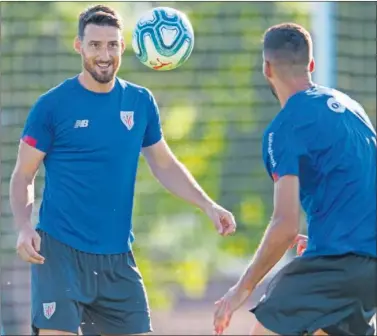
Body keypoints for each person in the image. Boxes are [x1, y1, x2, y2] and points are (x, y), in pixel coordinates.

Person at [10, 5, 236, 336]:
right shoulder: (52, 106)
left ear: (123, 47)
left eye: (112, 45)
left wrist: (208, 205)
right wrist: (23, 227)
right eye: (95, 44)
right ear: (79, 46)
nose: (104, 54)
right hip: (59, 255)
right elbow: (23, 175)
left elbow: (164, 163)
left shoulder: (140, 102)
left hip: (117, 258)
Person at [213, 22, 376, 336]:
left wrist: (240, 291)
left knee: (266, 329)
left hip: (339, 263)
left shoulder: (285, 128)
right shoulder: (351, 108)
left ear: (266, 68)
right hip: (368, 266)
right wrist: (324, 235)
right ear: (311, 65)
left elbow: (285, 226)